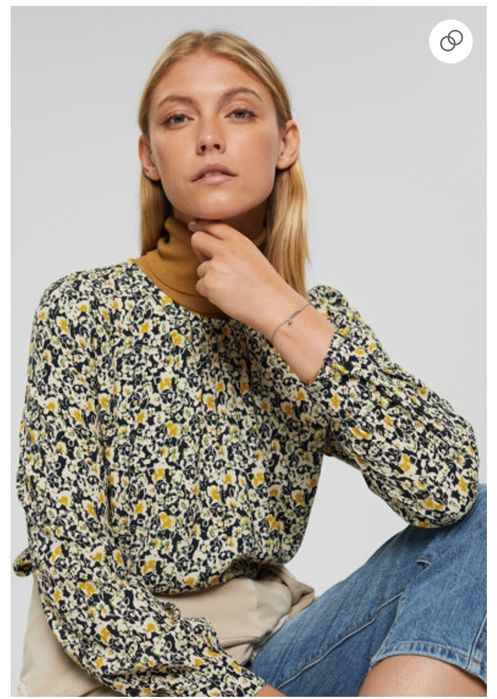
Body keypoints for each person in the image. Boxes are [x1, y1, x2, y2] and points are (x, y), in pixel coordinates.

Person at [12, 29, 486, 697]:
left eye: (238, 112)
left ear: (284, 143)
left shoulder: (315, 324)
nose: (209, 137)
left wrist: (281, 313)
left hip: (280, 655)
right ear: (150, 157)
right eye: (179, 118)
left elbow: (447, 486)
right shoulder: (85, 310)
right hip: (127, 680)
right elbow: (77, 576)